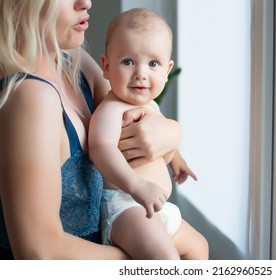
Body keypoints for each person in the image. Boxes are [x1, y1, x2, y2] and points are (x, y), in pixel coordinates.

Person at [0, 0, 182, 260]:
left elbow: (129, 114)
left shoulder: (74, 62)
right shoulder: (29, 96)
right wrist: (149, 260)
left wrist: (173, 133)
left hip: (134, 231)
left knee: (200, 248)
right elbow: (39, 252)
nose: (86, 2)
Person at [88, 8, 208, 260]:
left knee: (199, 247)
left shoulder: (150, 106)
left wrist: (177, 160)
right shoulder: (111, 109)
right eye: (128, 61)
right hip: (127, 206)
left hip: (157, 207)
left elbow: (161, 141)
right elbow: (101, 149)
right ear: (107, 67)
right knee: (166, 261)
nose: (141, 73)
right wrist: (137, 185)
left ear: (167, 70)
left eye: (153, 63)